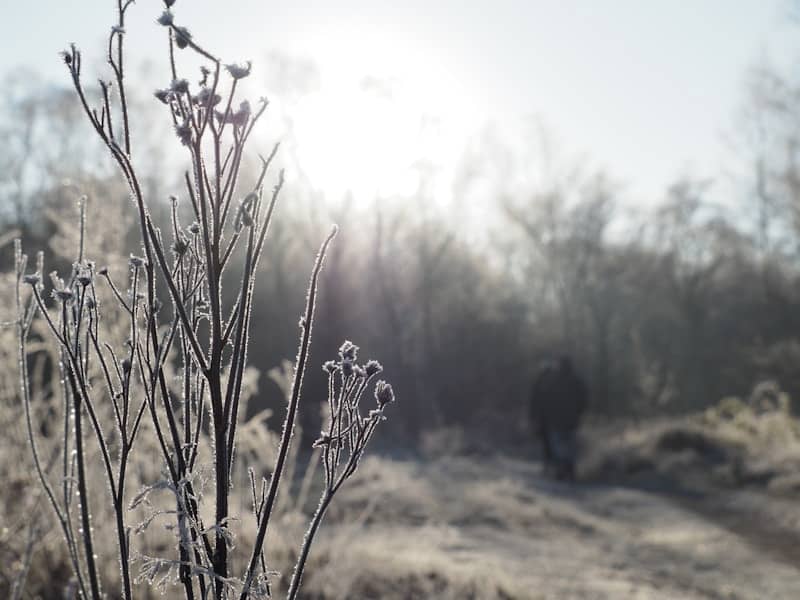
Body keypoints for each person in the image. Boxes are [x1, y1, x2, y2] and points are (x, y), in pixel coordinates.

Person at [529, 355, 588, 481]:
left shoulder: (552, 381)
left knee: (557, 445)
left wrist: (542, 416)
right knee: (569, 444)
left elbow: (544, 400)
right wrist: (579, 412)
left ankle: (561, 468)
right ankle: (569, 468)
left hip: (555, 420)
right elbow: (584, 399)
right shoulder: (577, 381)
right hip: (572, 420)